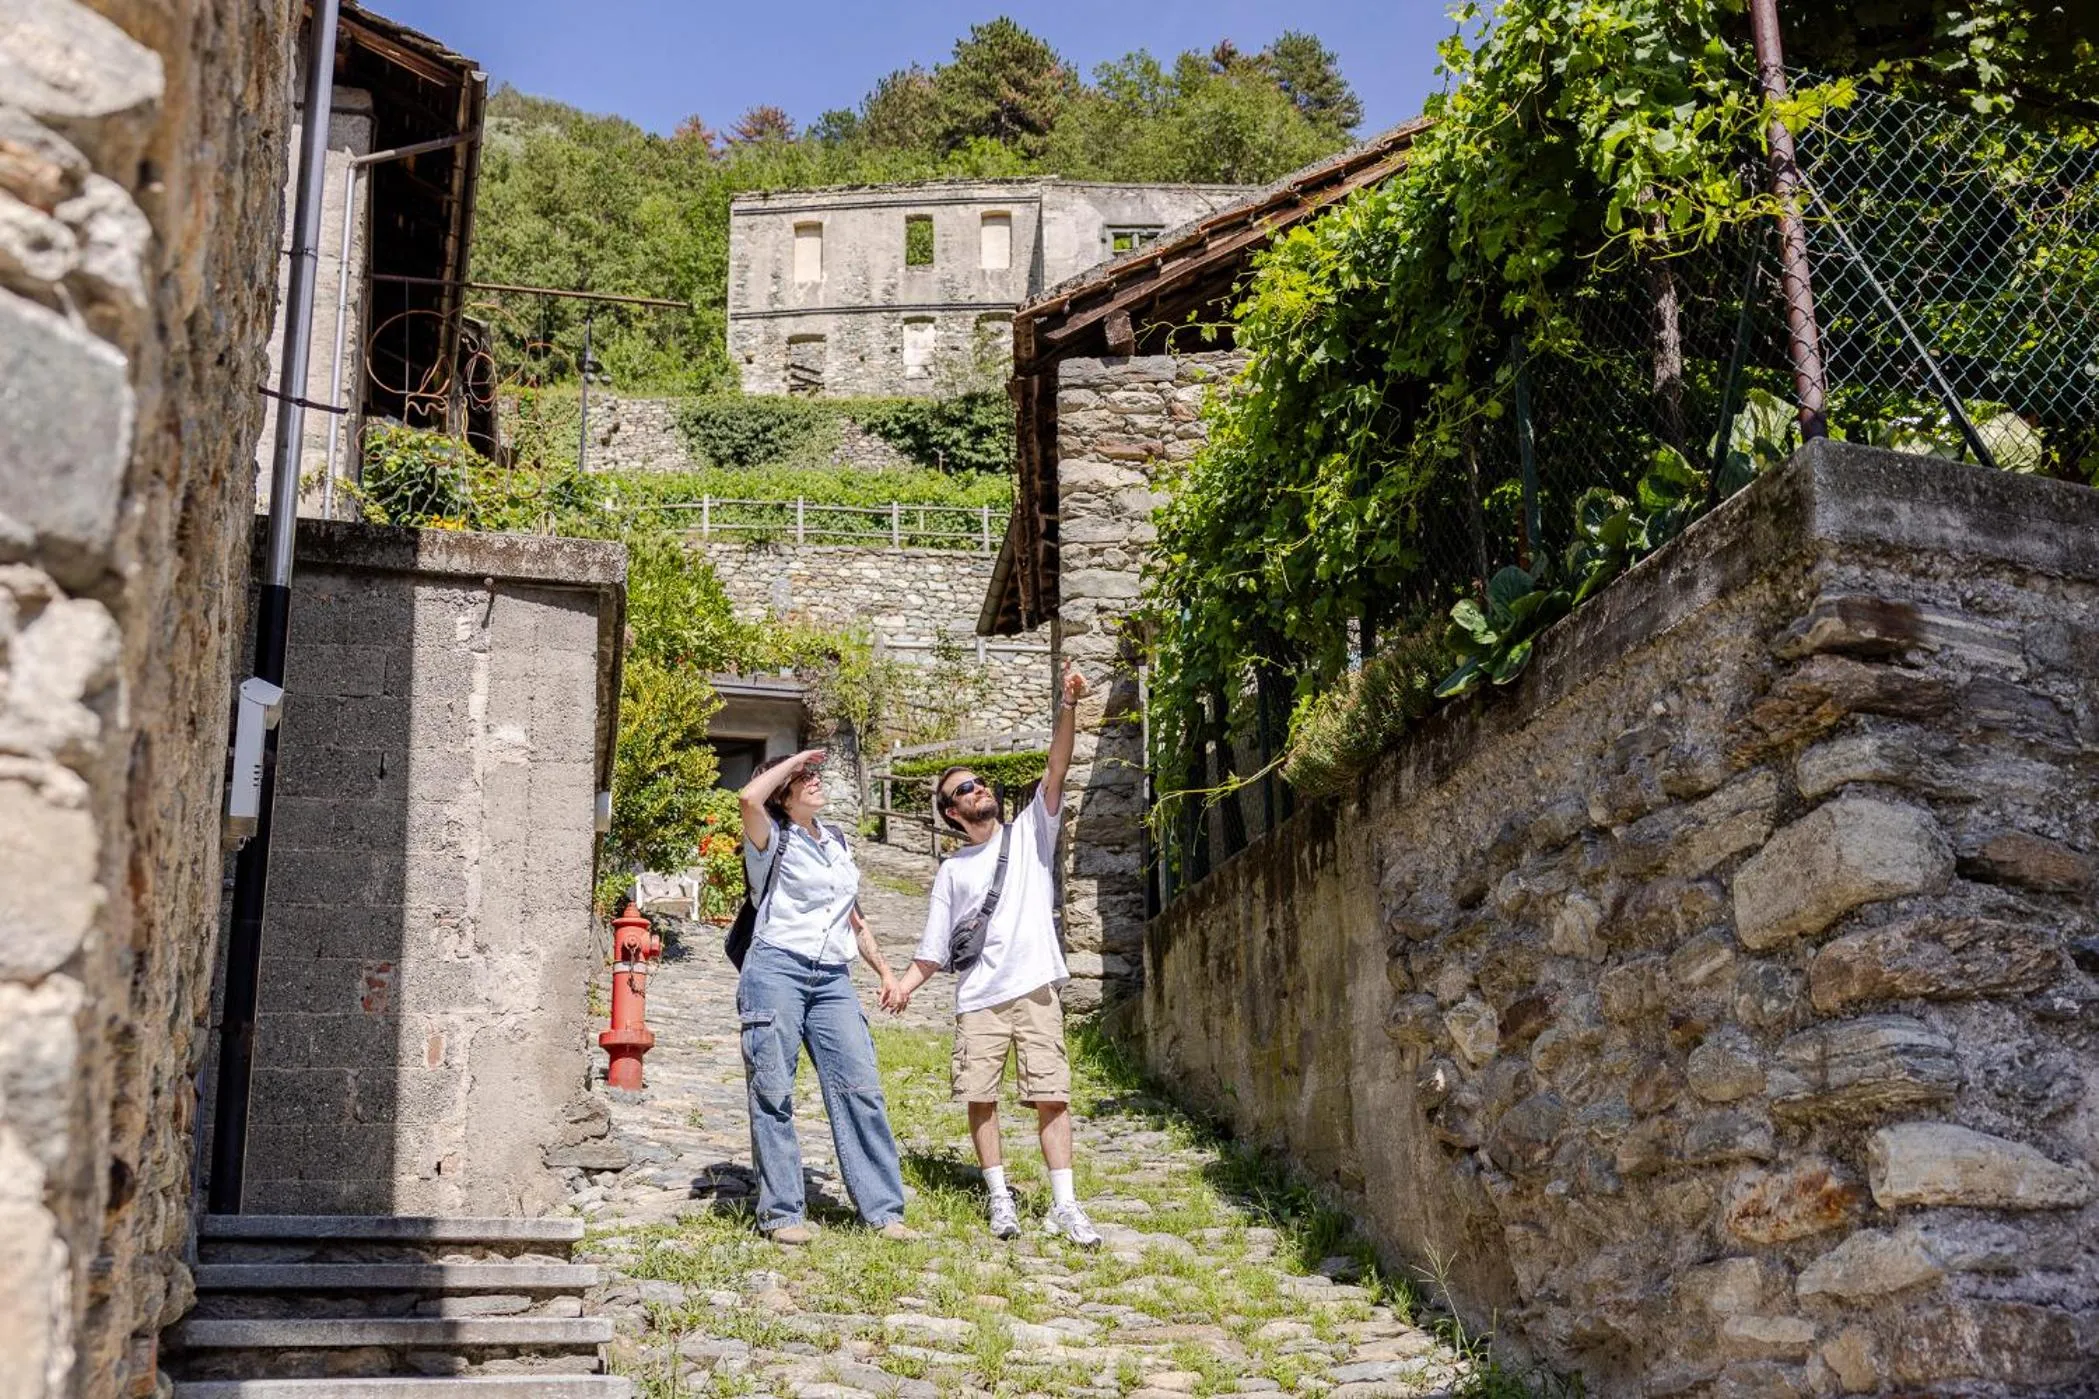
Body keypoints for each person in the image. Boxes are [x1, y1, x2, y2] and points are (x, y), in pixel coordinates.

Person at [884, 661, 1101, 1247]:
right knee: (981, 1097)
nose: (978, 789)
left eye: (979, 782)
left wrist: (1068, 705)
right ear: (951, 813)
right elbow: (933, 949)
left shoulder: (1030, 832)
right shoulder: (952, 871)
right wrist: (902, 986)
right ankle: (1000, 1197)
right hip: (979, 999)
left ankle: (1064, 1205)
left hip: (1035, 989)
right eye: (964, 789)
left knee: (1052, 1095)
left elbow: (1056, 768)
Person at [737, 748, 915, 1246]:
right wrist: (794, 758)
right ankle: (782, 1213)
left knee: (861, 1087)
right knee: (773, 1090)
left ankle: (883, 1211)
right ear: (783, 793)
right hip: (777, 969)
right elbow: (748, 797)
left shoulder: (835, 840)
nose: (815, 780)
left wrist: (886, 972)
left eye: (815, 773)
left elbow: (853, 917)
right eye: (804, 777)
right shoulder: (771, 838)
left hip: (834, 977)